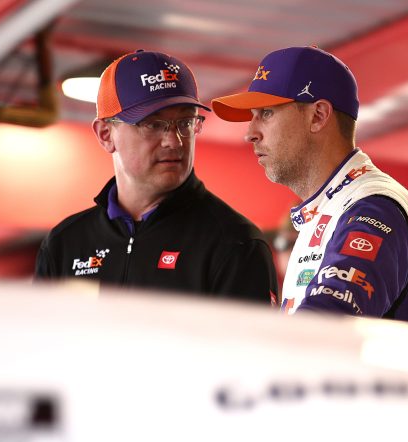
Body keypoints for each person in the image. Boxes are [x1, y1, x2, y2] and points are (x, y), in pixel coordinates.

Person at [210, 46, 408, 325]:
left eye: (266, 113)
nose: (250, 134)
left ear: (318, 115)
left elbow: (323, 327)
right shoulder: (333, 207)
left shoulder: (372, 206)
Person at [35, 50, 278, 305]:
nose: (174, 141)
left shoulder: (235, 243)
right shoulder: (64, 244)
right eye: (153, 124)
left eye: (185, 123)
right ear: (105, 134)